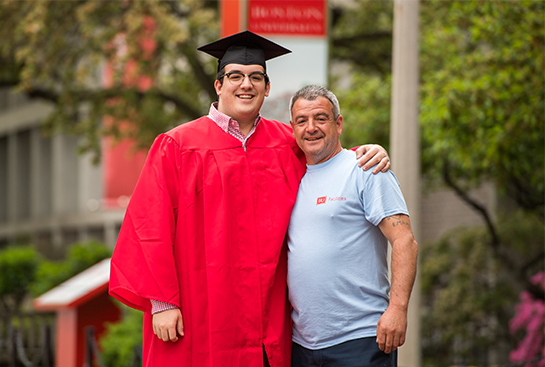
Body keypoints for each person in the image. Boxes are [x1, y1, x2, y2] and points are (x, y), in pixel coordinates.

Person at [109, 31, 390, 367]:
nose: (246, 84)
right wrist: (162, 303)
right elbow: (148, 225)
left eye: (256, 77)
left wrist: (366, 153)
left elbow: (329, 158)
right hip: (199, 308)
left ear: (267, 87)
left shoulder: (287, 143)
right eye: (236, 77)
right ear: (219, 85)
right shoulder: (178, 146)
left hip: (264, 312)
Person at [287, 85, 418, 367]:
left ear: (338, 123)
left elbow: (404, 240)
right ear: (292, 127)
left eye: (320, 118)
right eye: (302, 121)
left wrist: (397, 309)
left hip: (360, 339)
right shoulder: (290, 178)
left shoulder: (365, 169)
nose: (311, 128)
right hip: (302, 345)